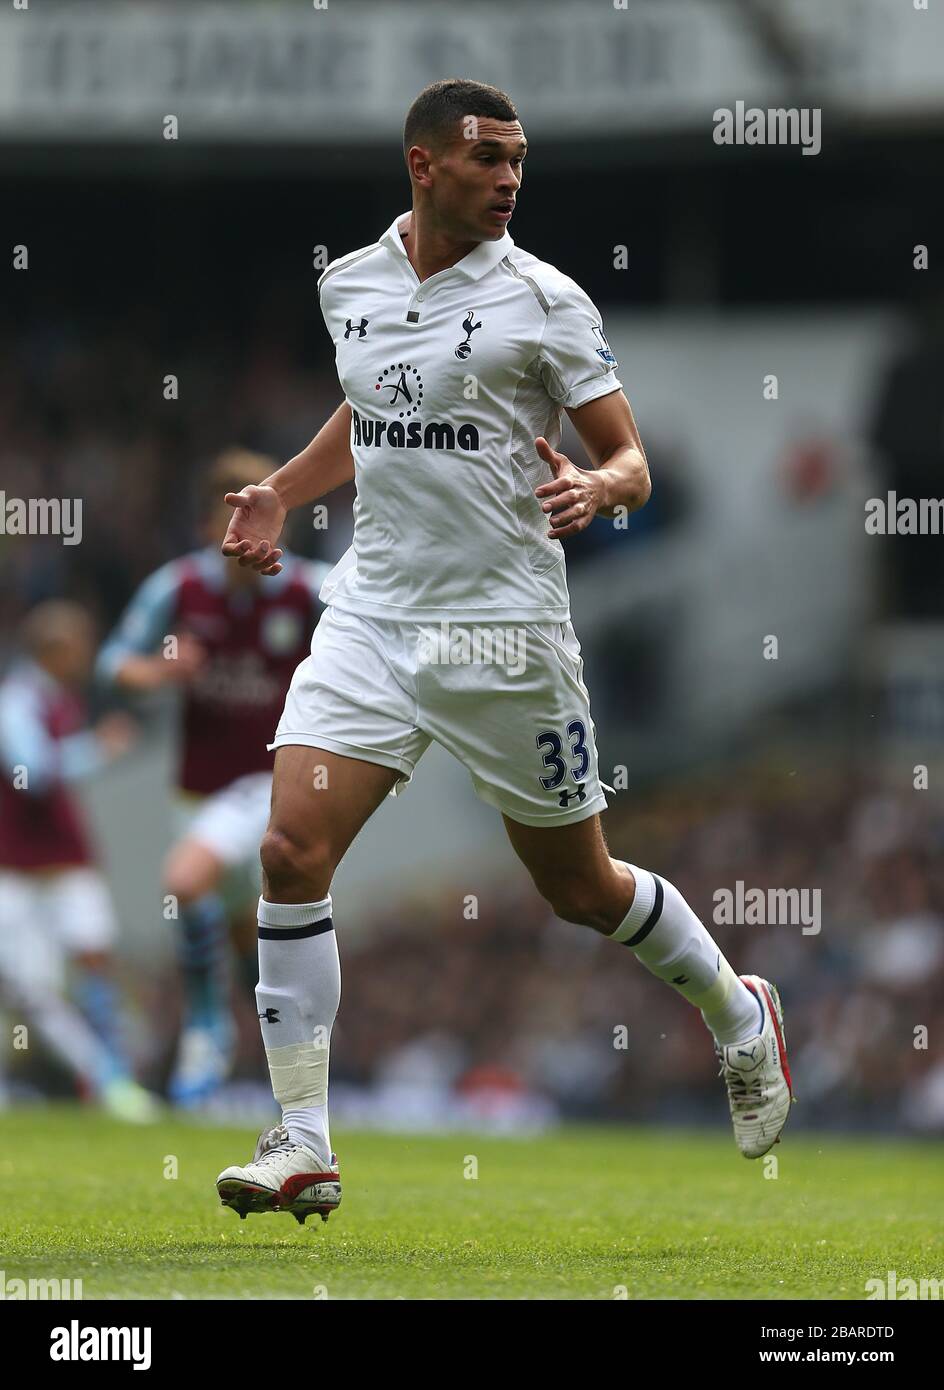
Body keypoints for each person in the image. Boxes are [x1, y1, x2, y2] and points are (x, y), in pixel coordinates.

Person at [215, 79, 793, 1226]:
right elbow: (366, 406)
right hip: (374, 614)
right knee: (287, 847)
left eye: (520, 160)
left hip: (503, 632)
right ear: (424, 165)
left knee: (579, 885)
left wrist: (598, 485)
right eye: (489, 158)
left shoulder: (545, 301)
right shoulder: (351, 283)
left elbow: (628, 457)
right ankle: (303, 1139)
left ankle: (738, 1012)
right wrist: (283, 490)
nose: (510, 178)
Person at [97, 449, 331, 1106]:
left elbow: (383, 635)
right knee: (238, 934)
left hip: (271, 783)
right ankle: (285, 1056)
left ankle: (206, 1028)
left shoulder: (311, 588)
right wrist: (158, 673)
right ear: (208, 528)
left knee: (182, 880)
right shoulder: (179, 588)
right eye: (230, 522)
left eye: (260, 520)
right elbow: (113, 662)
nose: (246, 535)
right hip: (193, 793)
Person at [0, 601, 158, 1121]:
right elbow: (35, 771)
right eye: (78, 647)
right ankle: (102, 1077)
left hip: (66, 863)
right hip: (18, 869)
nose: (85, 657)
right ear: (53, 649)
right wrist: (99, 749)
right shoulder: (17, 700)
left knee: (95, 964)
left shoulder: (57, 700)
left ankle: (117, 1078)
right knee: (28, 987)